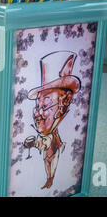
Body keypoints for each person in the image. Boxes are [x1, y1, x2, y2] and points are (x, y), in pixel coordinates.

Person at [24, 51, 81, 189]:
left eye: (45, 106)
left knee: (52, 164)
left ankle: (50, 179)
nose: (38, 113)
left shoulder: (54, 137)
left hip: (53, 151)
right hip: (47, 152)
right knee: (47, 163)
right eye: (37, 106)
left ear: (62, 106)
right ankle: (49, 179)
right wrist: (30, 144)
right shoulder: (44, 134)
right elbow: (40, 144)